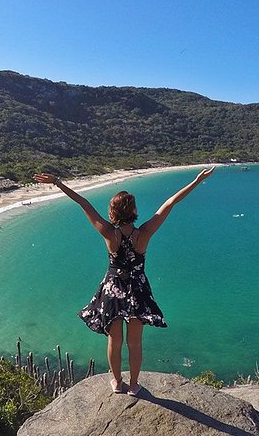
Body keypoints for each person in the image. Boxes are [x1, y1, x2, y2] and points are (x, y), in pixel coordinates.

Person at [33, 167, 215, 396]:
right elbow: (170, 203)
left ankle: (117, 383)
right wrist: (197, 180)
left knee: (114, 341)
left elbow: (84, 203)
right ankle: (134, 385)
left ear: (113, 212)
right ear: (134, 211)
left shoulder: (110, 233)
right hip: (137, 290)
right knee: (135, 343)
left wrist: (58, 182)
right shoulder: (144, 233)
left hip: (113, 290)